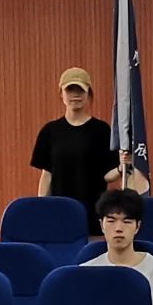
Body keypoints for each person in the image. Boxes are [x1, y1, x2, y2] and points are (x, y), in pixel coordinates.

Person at [31, 66, 123, 233]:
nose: (75, 95)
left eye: (80, 90)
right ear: (61, 94)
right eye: (70, 90)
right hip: (59, 213)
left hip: (93, 214)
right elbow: (47, 175)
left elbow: (107, 175)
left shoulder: (101, 130)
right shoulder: (50, 131)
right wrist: (42, 207)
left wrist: (122, 168)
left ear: (88, 94)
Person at [81, 188, 153, 293]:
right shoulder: (85, 271)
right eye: (111, 221)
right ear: (101, 225)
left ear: (137, 226)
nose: (118, 228)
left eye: (127, 221)